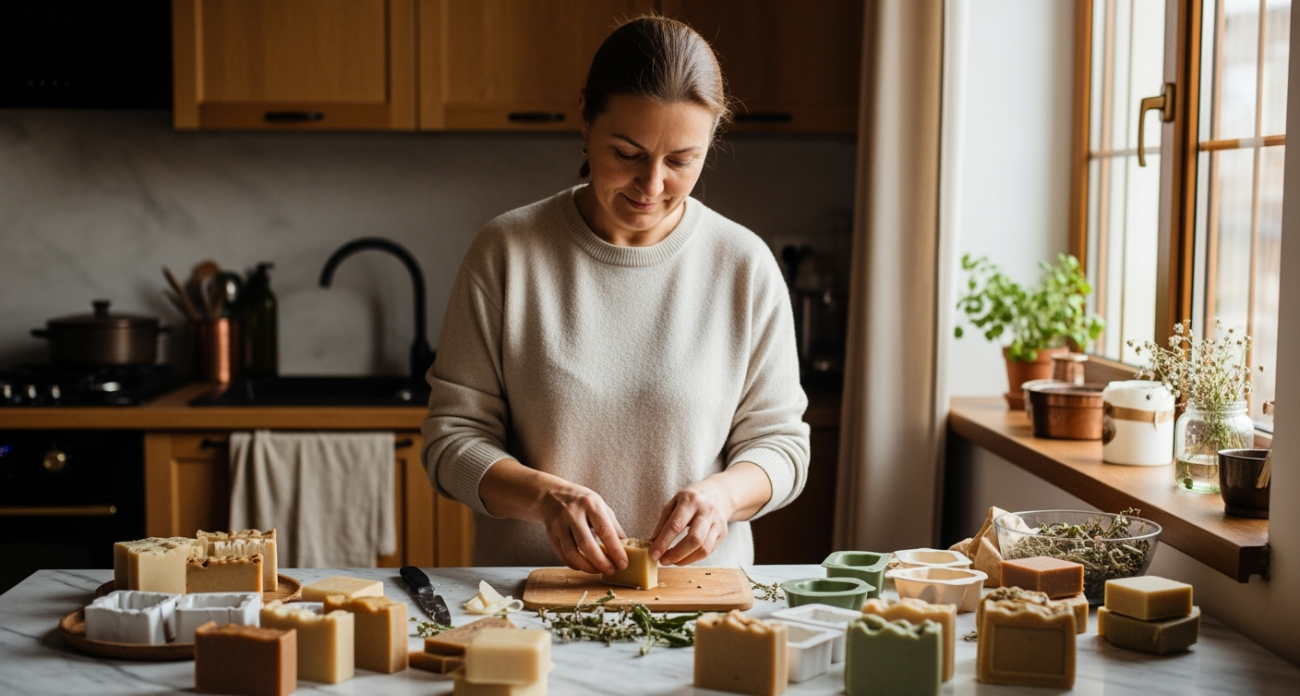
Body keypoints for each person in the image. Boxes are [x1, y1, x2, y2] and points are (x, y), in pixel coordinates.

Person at [421, 16, 809, 574]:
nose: (652, 186)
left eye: (681, 160)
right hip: (530, 604)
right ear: (585, 116)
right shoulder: (507, 253)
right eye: (627, 153)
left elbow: (783, 448)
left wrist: (722, 497)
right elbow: (450, 440)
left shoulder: (743, 266)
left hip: (695, 606)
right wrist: (545, 499)